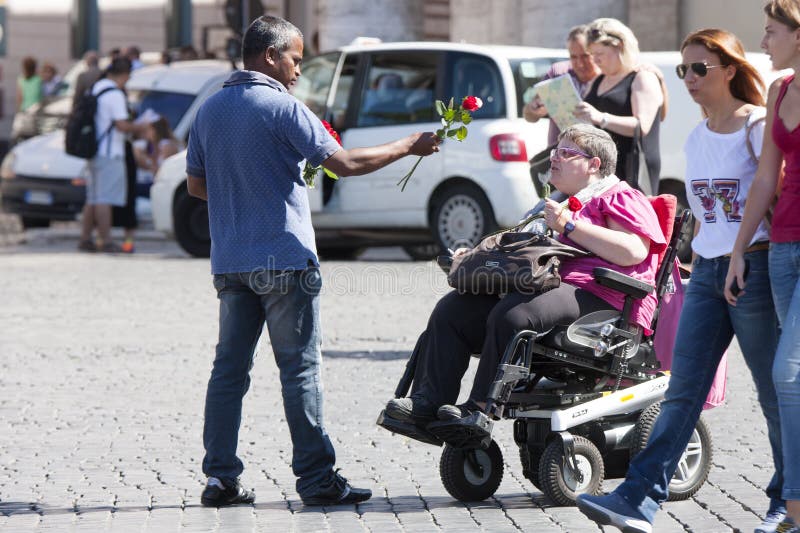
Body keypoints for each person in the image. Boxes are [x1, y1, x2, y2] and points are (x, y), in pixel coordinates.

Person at [185, 15, 439, 507]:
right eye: (295, 59)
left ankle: (220, 479)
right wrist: (410, 144)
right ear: (269, 56)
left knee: (228, 373)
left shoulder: (209, 111)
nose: (299, 70)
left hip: (232, 262)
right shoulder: (284, 108)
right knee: (299, 371)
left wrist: (242, 187)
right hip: (283, 259)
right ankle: (317, 480)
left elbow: (197, 184)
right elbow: (343, 164)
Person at [577, 28, 785, 533]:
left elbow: (776, 200)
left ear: (730, 70)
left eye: (700, 69)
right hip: (708, 272)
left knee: (774, 393)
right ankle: (638, 500)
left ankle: (786, 503)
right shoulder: (695, 136)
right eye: (683, 70)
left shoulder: (756, 125)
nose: (689, 79)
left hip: (752, 269)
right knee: (680, 389)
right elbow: (706, 217)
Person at [383, 123, 665, 431]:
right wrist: (478, 259)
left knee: (517, 313)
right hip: (544, 288)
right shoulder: (550, 204)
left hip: (602, 296)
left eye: (566, 153)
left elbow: (634, 251)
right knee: (454, 309)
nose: (554, 158)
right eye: (555, 151)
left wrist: (570, 226)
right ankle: (427, 403)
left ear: (594, 164)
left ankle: (479, 409)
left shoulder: (619, 196)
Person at [725, 2, 800, 532]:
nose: (764, 41)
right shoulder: (779, 90)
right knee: (787, 381)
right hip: (782, 250)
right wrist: (737, 248)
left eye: (772, 32)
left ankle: (794, 506)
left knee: (787, 373)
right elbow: (764, 177)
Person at [575, 18, 665, 194]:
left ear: (621, 46)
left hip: (631, 170)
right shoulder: (598, 80)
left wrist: (601, 118)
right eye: (592, 54)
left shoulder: (642, 77)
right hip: (601, 172)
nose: (595, 60)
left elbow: (642, 126)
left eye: (600, 53)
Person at [78, 57, 146, 253]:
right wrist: (141, 127)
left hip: (93, 150)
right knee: (104, 199)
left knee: (92, 198)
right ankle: (105, 240)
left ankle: (85, 239)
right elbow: (121, 124)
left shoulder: (96, 88)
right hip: (110, 152)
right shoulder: (114, 94)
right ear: (124, 75)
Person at [524, 24, 601, 146]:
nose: (580, 63)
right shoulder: (558, 73)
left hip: (596, 154)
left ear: (596, 52)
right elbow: (529, 116)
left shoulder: (606, 77)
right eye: (573, 57)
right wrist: (534, 109)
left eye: (585, 56)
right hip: (561, 153)